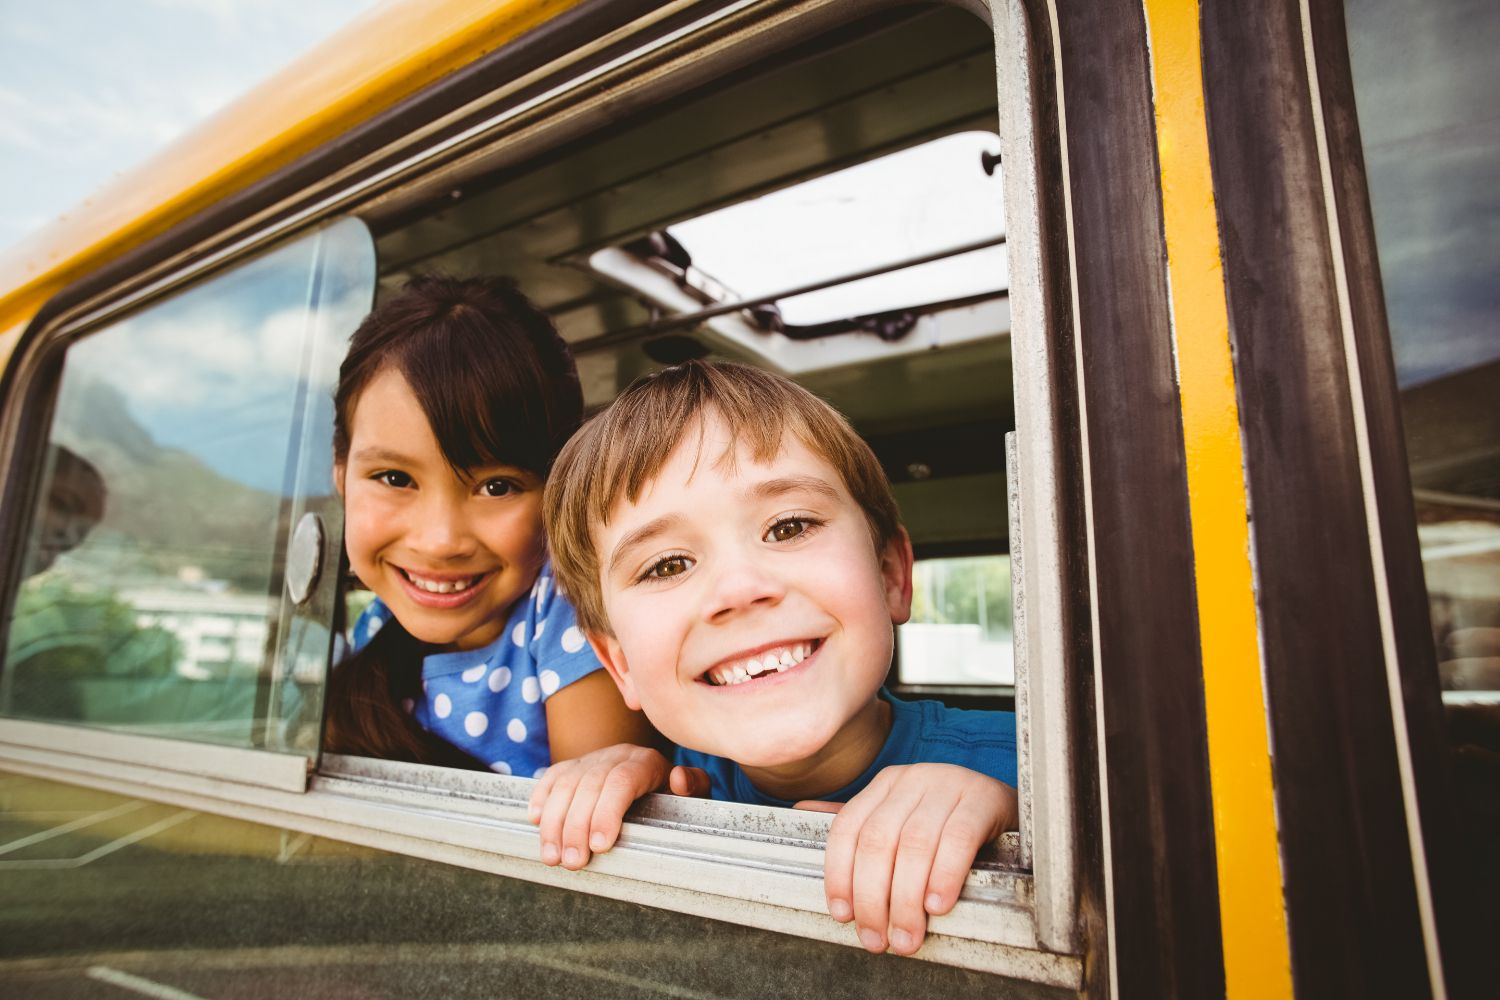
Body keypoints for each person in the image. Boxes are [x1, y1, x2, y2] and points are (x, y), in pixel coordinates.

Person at [531, 359, 1018, 957]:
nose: (739, 588)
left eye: (788, 527)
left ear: (891, 574)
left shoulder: (1043, 768)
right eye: (667, 565)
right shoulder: (658, 797)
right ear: (620, 664)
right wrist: (603, 799)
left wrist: (1022, 828)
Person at [323, 275, 655, 774]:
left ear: (559, 491)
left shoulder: (567, 611)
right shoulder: (378, 625)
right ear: (342, 475)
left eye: (497, 486)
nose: (440, 541)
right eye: (394, 478)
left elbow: (586, 826)